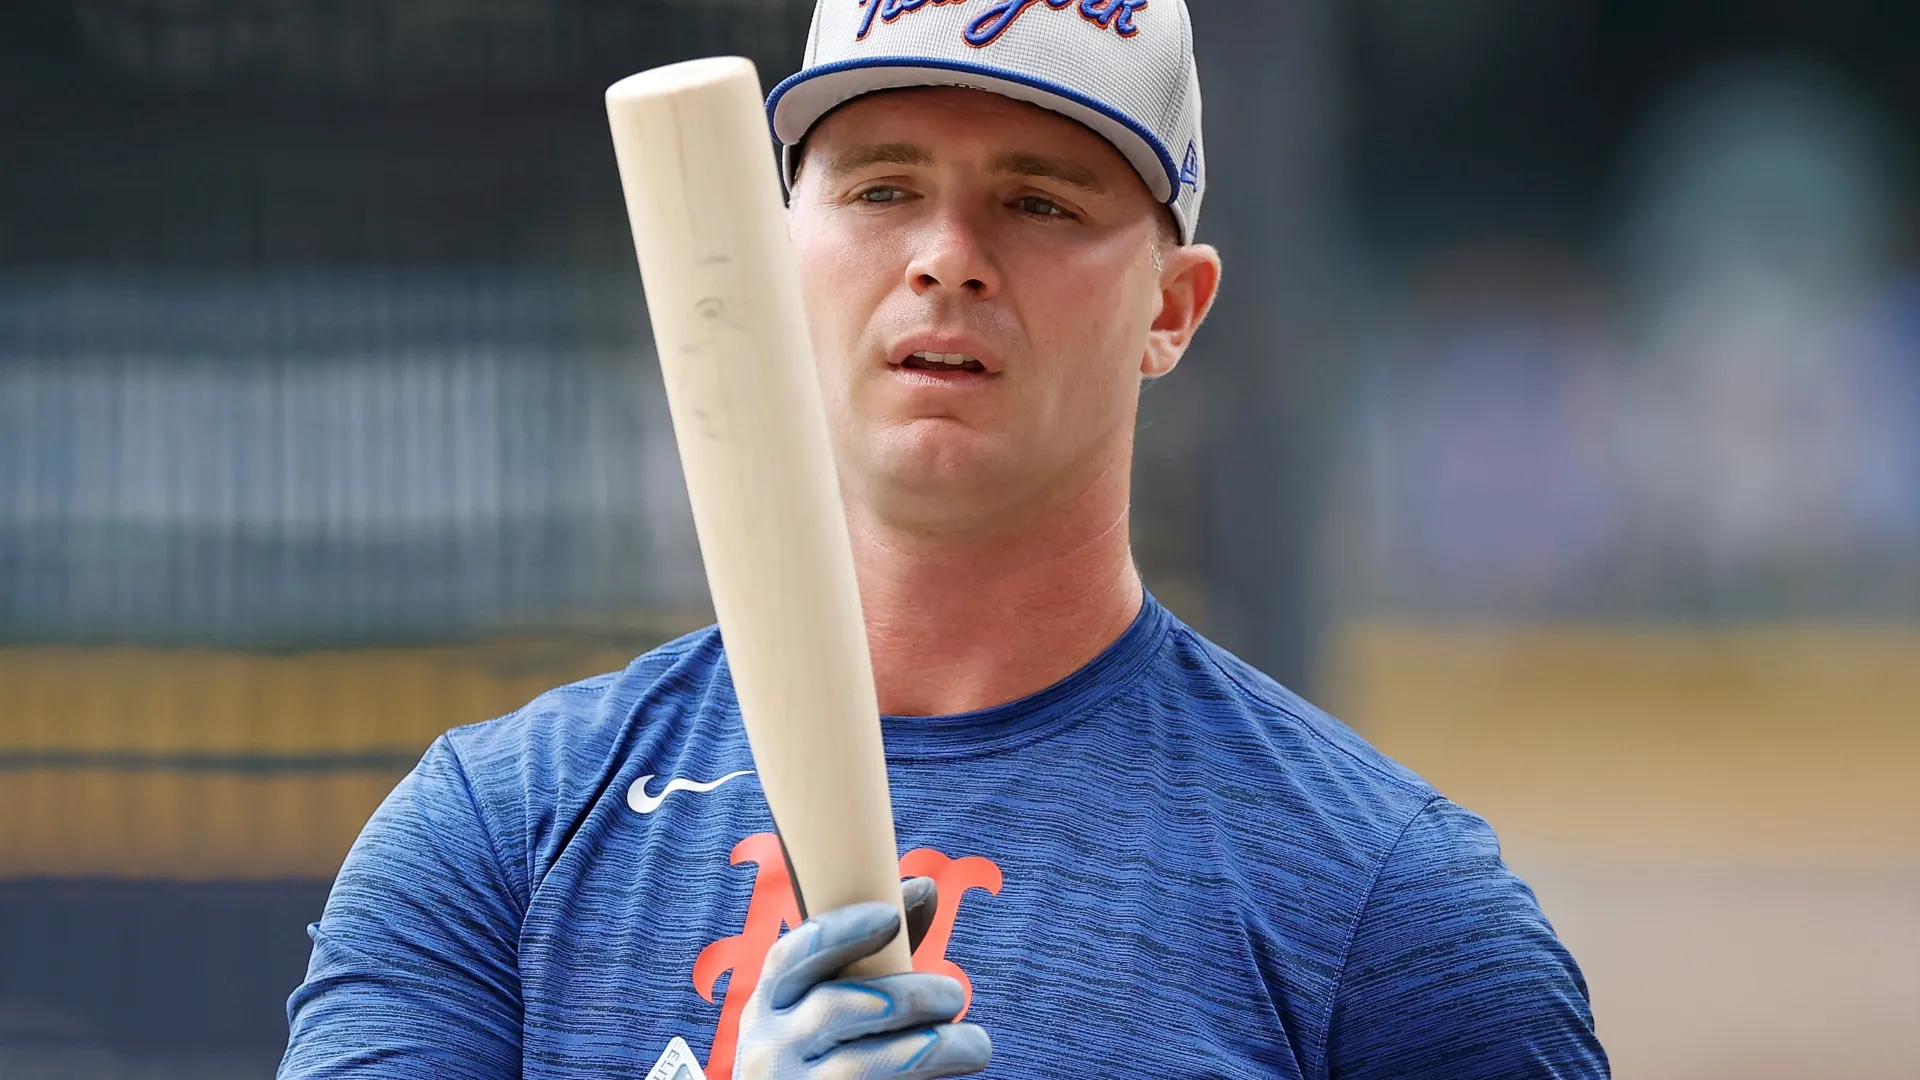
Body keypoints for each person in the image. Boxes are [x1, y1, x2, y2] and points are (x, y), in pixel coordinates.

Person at [279, 1, 1609, 1077]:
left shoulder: (1385, 913)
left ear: (1174, 308)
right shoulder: (499, 839)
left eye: (1040, 202)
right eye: (880, 188)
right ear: (771, 250)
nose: (947, 258)